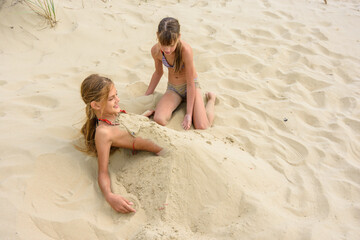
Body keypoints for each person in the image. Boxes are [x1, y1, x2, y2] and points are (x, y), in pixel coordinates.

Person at [79, 74, 164, 213]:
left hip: (162, 137)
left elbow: (127, 130)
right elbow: (102, 172)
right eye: (111, 98)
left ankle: (211, 102)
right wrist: (109, 195)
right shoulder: (103, 133)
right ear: (95, 105)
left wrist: (141, 118)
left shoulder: (112, 113)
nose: (117, 100)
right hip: (163, 149)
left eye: (116, 95)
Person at [145, 17, 216, 130]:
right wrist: (147, 94)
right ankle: (180, 102)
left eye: (171, 45)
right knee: (159, 119)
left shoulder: (185, 51)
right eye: (163, 44)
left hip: (191, 86)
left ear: (178, 37)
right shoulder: (156, 51)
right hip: (174, 89)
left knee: (203, 126)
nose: (167, 50)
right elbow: (158, 73)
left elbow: (190, 82)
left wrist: (188, 114)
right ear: (157, 35)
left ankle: (211, 100)